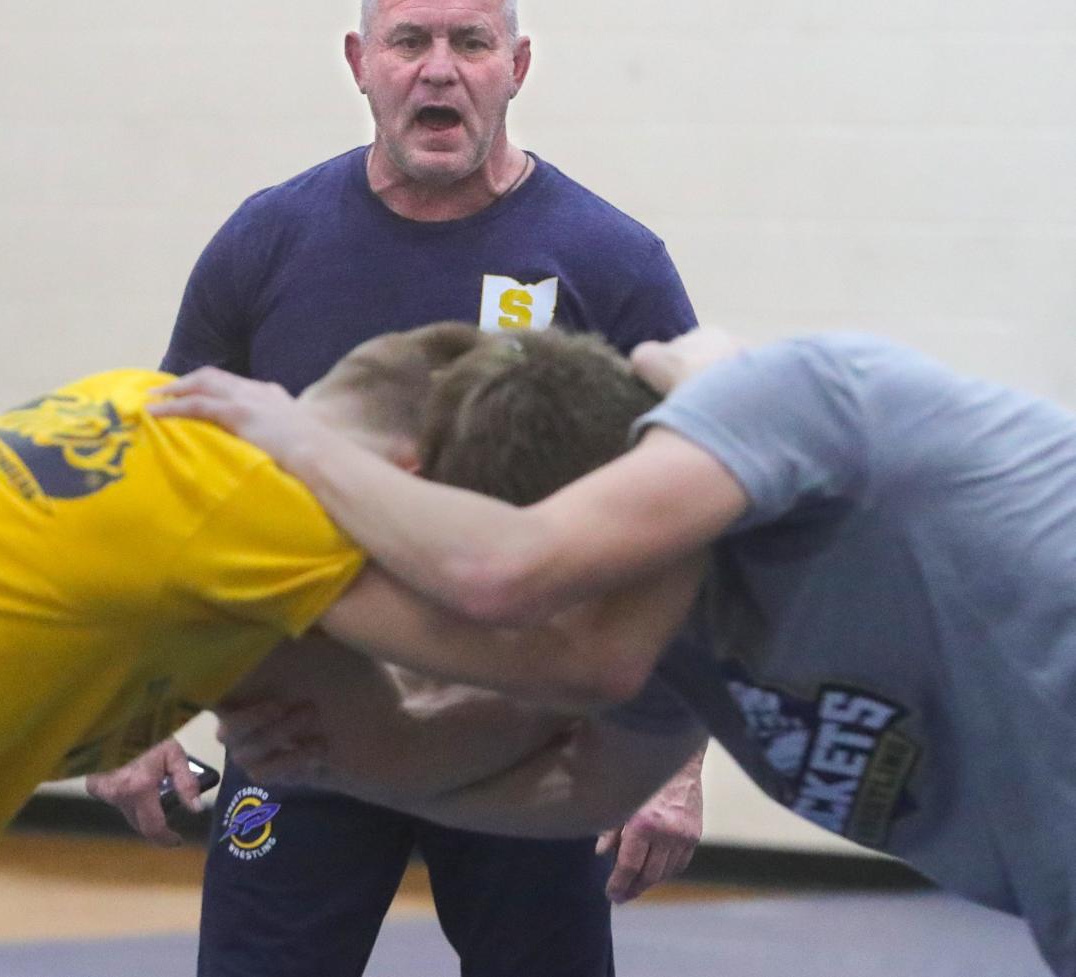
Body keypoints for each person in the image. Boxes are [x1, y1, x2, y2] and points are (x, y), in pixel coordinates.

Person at [96, 0, 703, 977]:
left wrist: (671, 756)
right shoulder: (269, 240)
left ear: (516, 67)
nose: (439, 71)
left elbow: (696, 510)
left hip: (529, 726)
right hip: (300, 716)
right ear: (359, 62)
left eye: (470, 44)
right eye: (410, 41)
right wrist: (133, 703)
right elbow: (168, 474)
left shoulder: (613, 261)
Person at [157, 327, 1076, 977]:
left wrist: (296, 441)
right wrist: (338, 759)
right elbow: (581, 792)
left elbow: (504, 576)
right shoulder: (673, 635)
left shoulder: (797, 394)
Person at [0, 322, 697, 977]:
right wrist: (703, 481)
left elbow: (376, 740)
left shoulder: (145, 410)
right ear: (407, 482)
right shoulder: (272, 516)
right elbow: (587, 666)